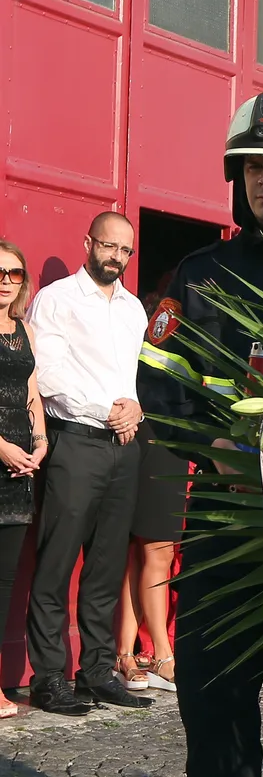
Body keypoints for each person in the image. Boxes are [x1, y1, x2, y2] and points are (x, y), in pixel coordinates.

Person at [137, 82, 263, 777]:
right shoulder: (202, 274)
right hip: (226, 525)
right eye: (252, 165)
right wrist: (213, 445)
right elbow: (157, 383)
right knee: (211, 700)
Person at [26, 213, 149, 715]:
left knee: (106, 564)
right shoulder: (55, 299)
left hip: (125, 447)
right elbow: (47, 373)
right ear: (87, 243)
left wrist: (135, 407)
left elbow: (135, 376)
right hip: (75, 441)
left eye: (126, 250)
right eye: (108, 246)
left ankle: (97, 670)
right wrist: (107, 411)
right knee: (56, 561)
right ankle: (49, 677)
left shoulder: (135, 310)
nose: (116, 257)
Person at [114, 272, 189, 693]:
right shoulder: (170, 315)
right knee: (153, 550)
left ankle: (127, 653)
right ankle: (160, 653)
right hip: (159, 439)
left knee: (144, 553)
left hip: (163, 441)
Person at [0, 240, 45, 718]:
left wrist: (41, 443)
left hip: (19, 469)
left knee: (4, 580)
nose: (6, 280)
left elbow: (31, 394)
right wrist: (3, 447)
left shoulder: (24, 332)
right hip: (1, 453)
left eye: (14, 273)